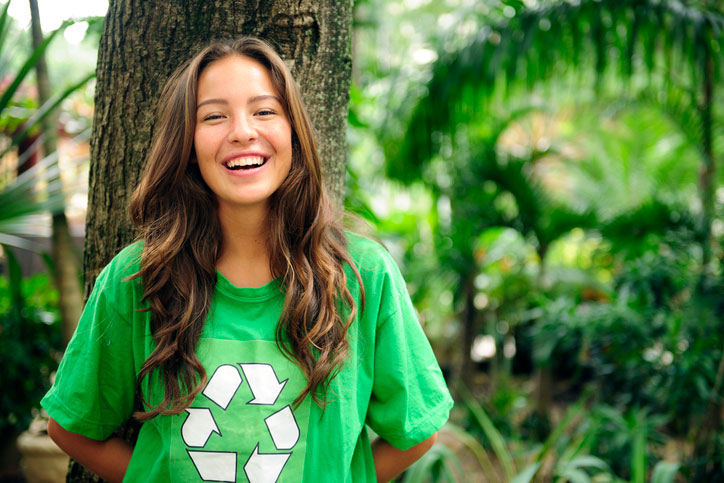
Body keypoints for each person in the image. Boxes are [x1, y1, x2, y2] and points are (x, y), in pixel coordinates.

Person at [42, 37, 453, 483]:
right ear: (187, 142)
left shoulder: (363, 275)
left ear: (294, 130)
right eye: (214, 116)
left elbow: (417, 430)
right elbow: (71, 427)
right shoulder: (137, 278)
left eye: (264, 111)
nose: (242, 131)